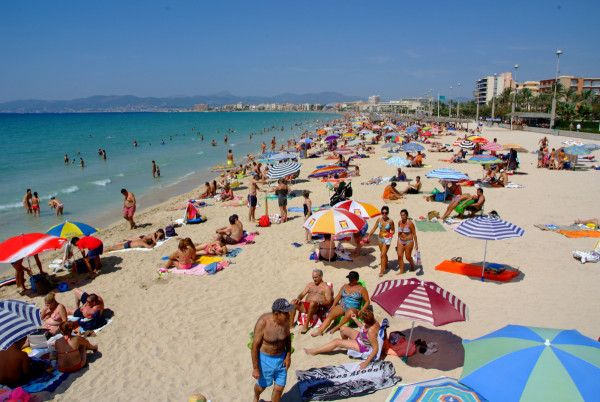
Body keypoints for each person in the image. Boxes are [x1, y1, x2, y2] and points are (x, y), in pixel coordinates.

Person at [304, 309, 380, 370]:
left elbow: (375, 348)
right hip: (363, 337)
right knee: (343, 329)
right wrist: (355, 319)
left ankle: (314, 351)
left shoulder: (371, 331)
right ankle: (344, 344)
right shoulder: (373, 321)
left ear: (364, 321)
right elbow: (364, 329)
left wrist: (366, 362)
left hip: (363, 346)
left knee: (336, 341)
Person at [251, 298, 294, 402]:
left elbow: (288, 338)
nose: (289, 315)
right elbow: (254, 346)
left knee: (279, 388)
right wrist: (256, 368)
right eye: (285, 313)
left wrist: (288, 355)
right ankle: (256, 395)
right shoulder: (263, 323)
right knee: (262, 387)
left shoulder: (285, 321)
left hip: (281, 359)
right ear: (276, 314)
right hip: (265, 360)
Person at [311, 271, 369, 336]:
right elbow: (338, 296)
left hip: (353, 307)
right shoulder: (345, 286)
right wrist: (333, 305)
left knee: (351, 312)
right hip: (343, 305)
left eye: (352, 279)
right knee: (331, 314)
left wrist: (361, 311)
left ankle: (336, 327)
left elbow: (367, 301)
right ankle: (320, 331)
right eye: (349, 279)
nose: (350, 280)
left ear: (357, 279)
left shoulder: (361, 289)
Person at [290, 269, 333, 334]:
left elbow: (329, 301)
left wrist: (320, 303)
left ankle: (306, 325)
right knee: (293, 303)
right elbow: (302, 294)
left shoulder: (326, 288)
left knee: (312, 303)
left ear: (321, 276)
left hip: (317, 307)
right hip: (307, 305)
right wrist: (298, 298)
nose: (314, 279)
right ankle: (291, 325)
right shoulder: (310, 285)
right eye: (313, 277)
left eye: (316, 277)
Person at [366, 206, 395, 276]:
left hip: (386, 239)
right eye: (383, 213)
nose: (384, 214)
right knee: (383, 253)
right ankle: (386, 263)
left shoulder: (390, 221)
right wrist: (369, 236)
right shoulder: (379, 220)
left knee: (382, 254)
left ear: (388, 213)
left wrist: (390, 235)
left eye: (385, 213)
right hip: (380, 238)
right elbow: (374, 228)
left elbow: (393, 231)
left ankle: (382, 271)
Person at [397, 209, 418, 274]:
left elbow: (414, 234)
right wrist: (397, 240)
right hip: (400, 241)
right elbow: (399, 232)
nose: (402, 216)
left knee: (408, 257)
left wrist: (416, 244)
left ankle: (412, 264)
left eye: (404, 215)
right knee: (400, 256)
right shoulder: (399, 222)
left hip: (408, 241)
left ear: (406, 215)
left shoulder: (410, 223)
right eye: (401, 215)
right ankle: (401, 270)